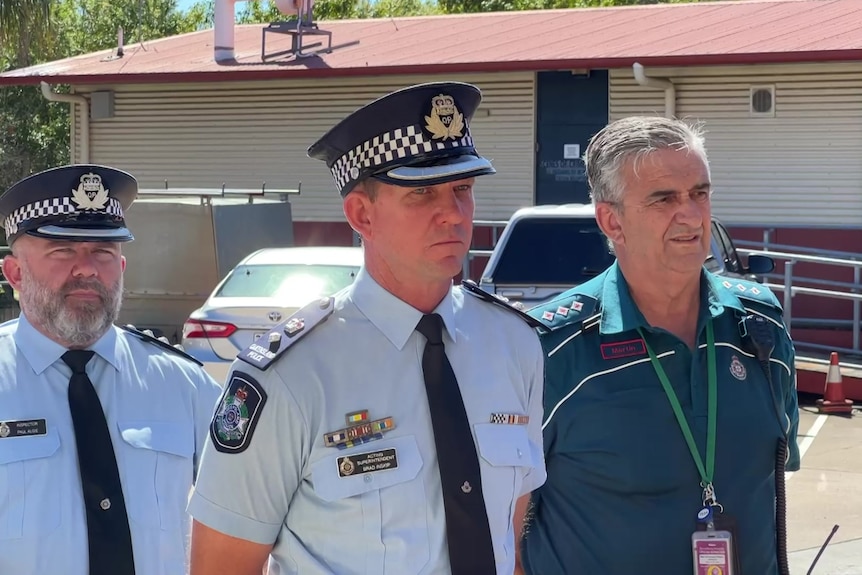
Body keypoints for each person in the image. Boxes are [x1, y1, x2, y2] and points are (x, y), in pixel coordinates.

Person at [187, 81, 547, 575]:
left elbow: (509, 535)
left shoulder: (514, 345)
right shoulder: (290, 376)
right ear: (361, 214)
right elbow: (222, 564)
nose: (454, 214)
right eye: (422, 194)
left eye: (462, 188)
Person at [517, 116, 800, 575]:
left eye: (700, 194)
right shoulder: (545, 346)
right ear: (612, 220)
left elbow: (771, 475)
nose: (691, 214)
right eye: (664, 199)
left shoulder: (759, 324)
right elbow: (504, 537)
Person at [0, 164, 223, 575]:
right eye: (62, 250)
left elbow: (239, 519)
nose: (86, 269)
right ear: (15, 273)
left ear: (121, 270)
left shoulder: (183, 385)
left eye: (103, 252)